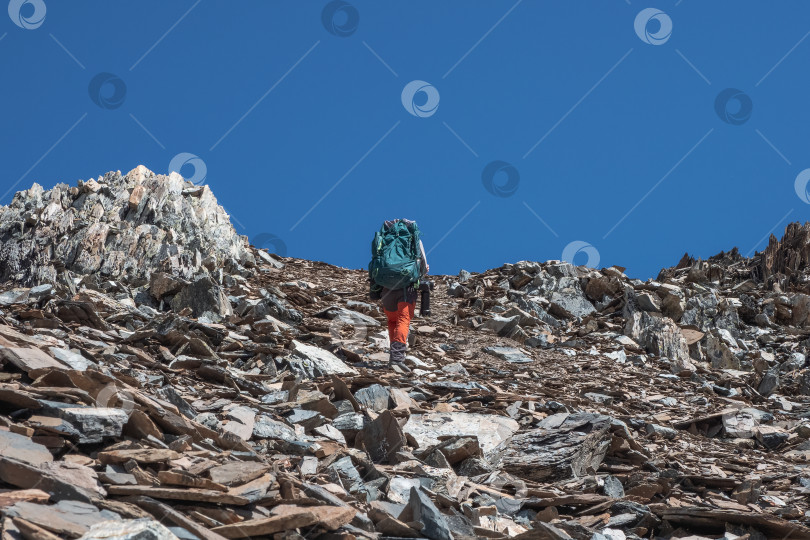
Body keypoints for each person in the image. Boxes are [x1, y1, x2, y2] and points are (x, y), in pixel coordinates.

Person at [369, 219, 429, 367]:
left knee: (392, 321)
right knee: (403, 320)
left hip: (386, 289)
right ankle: (397, 358)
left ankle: (394, 356)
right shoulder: (414, 240)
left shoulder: (385, 239)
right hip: (406, 289)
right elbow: (422, 265)